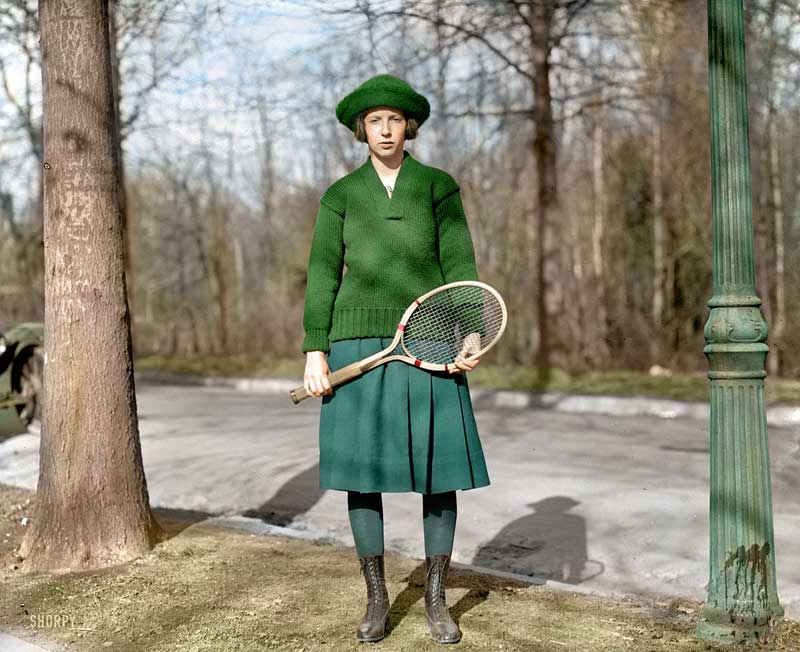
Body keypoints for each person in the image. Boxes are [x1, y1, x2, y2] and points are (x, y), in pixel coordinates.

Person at [301, 73, 490, 644]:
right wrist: (315, 350)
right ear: (362, 130)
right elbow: (320, 275)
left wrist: (472, 330)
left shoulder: (438, 186)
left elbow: (459, 262)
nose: (385, 129)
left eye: (395, 120)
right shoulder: (340, 195)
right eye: (374, 121)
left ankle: (436, 599)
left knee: (439, 472)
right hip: (355, 345)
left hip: (432, 338)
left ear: (410, 127)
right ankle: (377, 599)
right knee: (365, 476)